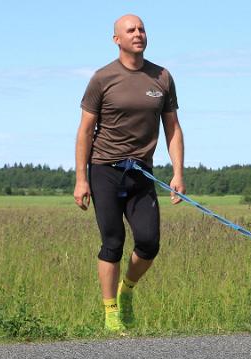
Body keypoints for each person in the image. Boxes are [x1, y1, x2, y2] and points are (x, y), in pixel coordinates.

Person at [73, 14, 186, 332]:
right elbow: (84, 131)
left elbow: (173, 128)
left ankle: (127, 292)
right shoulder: (102, 78)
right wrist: (81, 178)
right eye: (131, 30)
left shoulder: (161, 77)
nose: (138, 34)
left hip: (141, 173)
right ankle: (110, 313)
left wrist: (177, 173)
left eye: (142, 29)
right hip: (105, 170)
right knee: (113, 241)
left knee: (149, 243)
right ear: (117, 39)